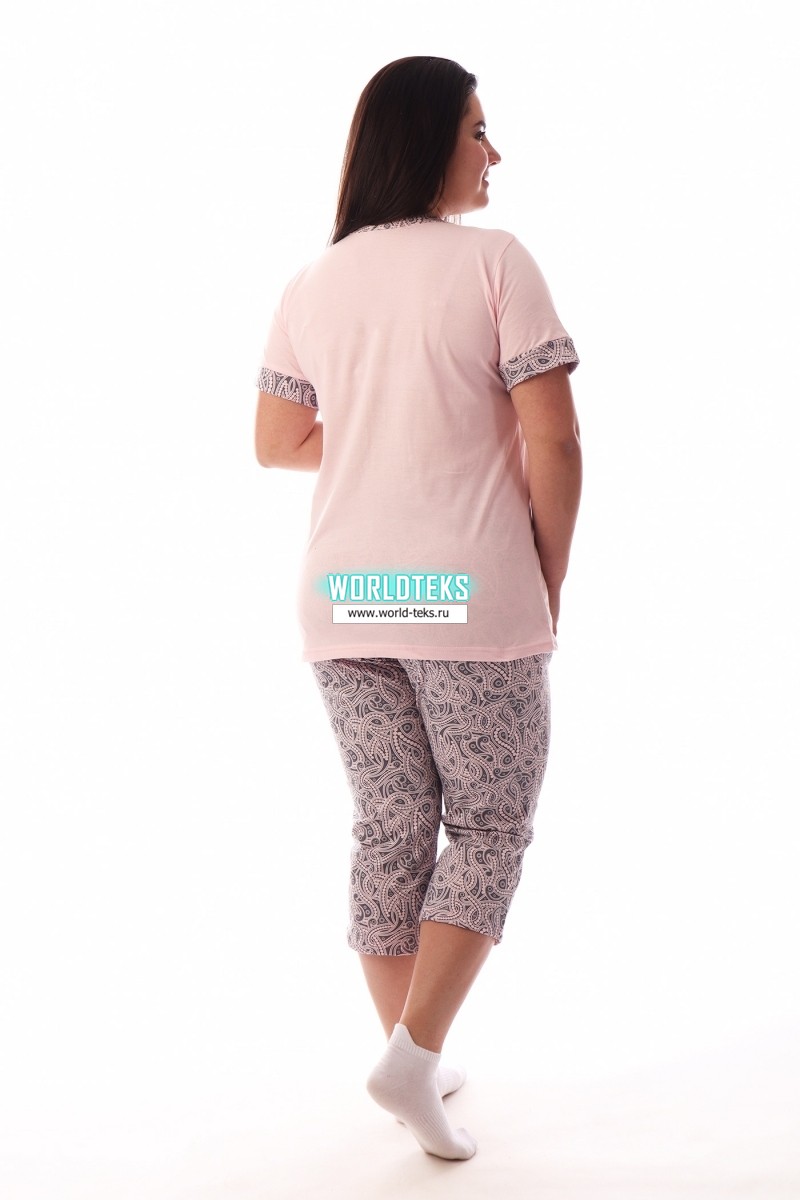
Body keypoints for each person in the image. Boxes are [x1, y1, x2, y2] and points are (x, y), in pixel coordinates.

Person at [253, 56, 582, 1162]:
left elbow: (277, 442)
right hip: (465, 591)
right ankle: (414, 1054)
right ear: (430, 137)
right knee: (486, 826)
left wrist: (386, 427)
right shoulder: (495, 261)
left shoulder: (313, 281)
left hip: (342, 595)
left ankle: (411, 1055)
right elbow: (554, 440)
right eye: (478, 130)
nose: (494, 154)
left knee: (390, 822)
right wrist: (547, 575)